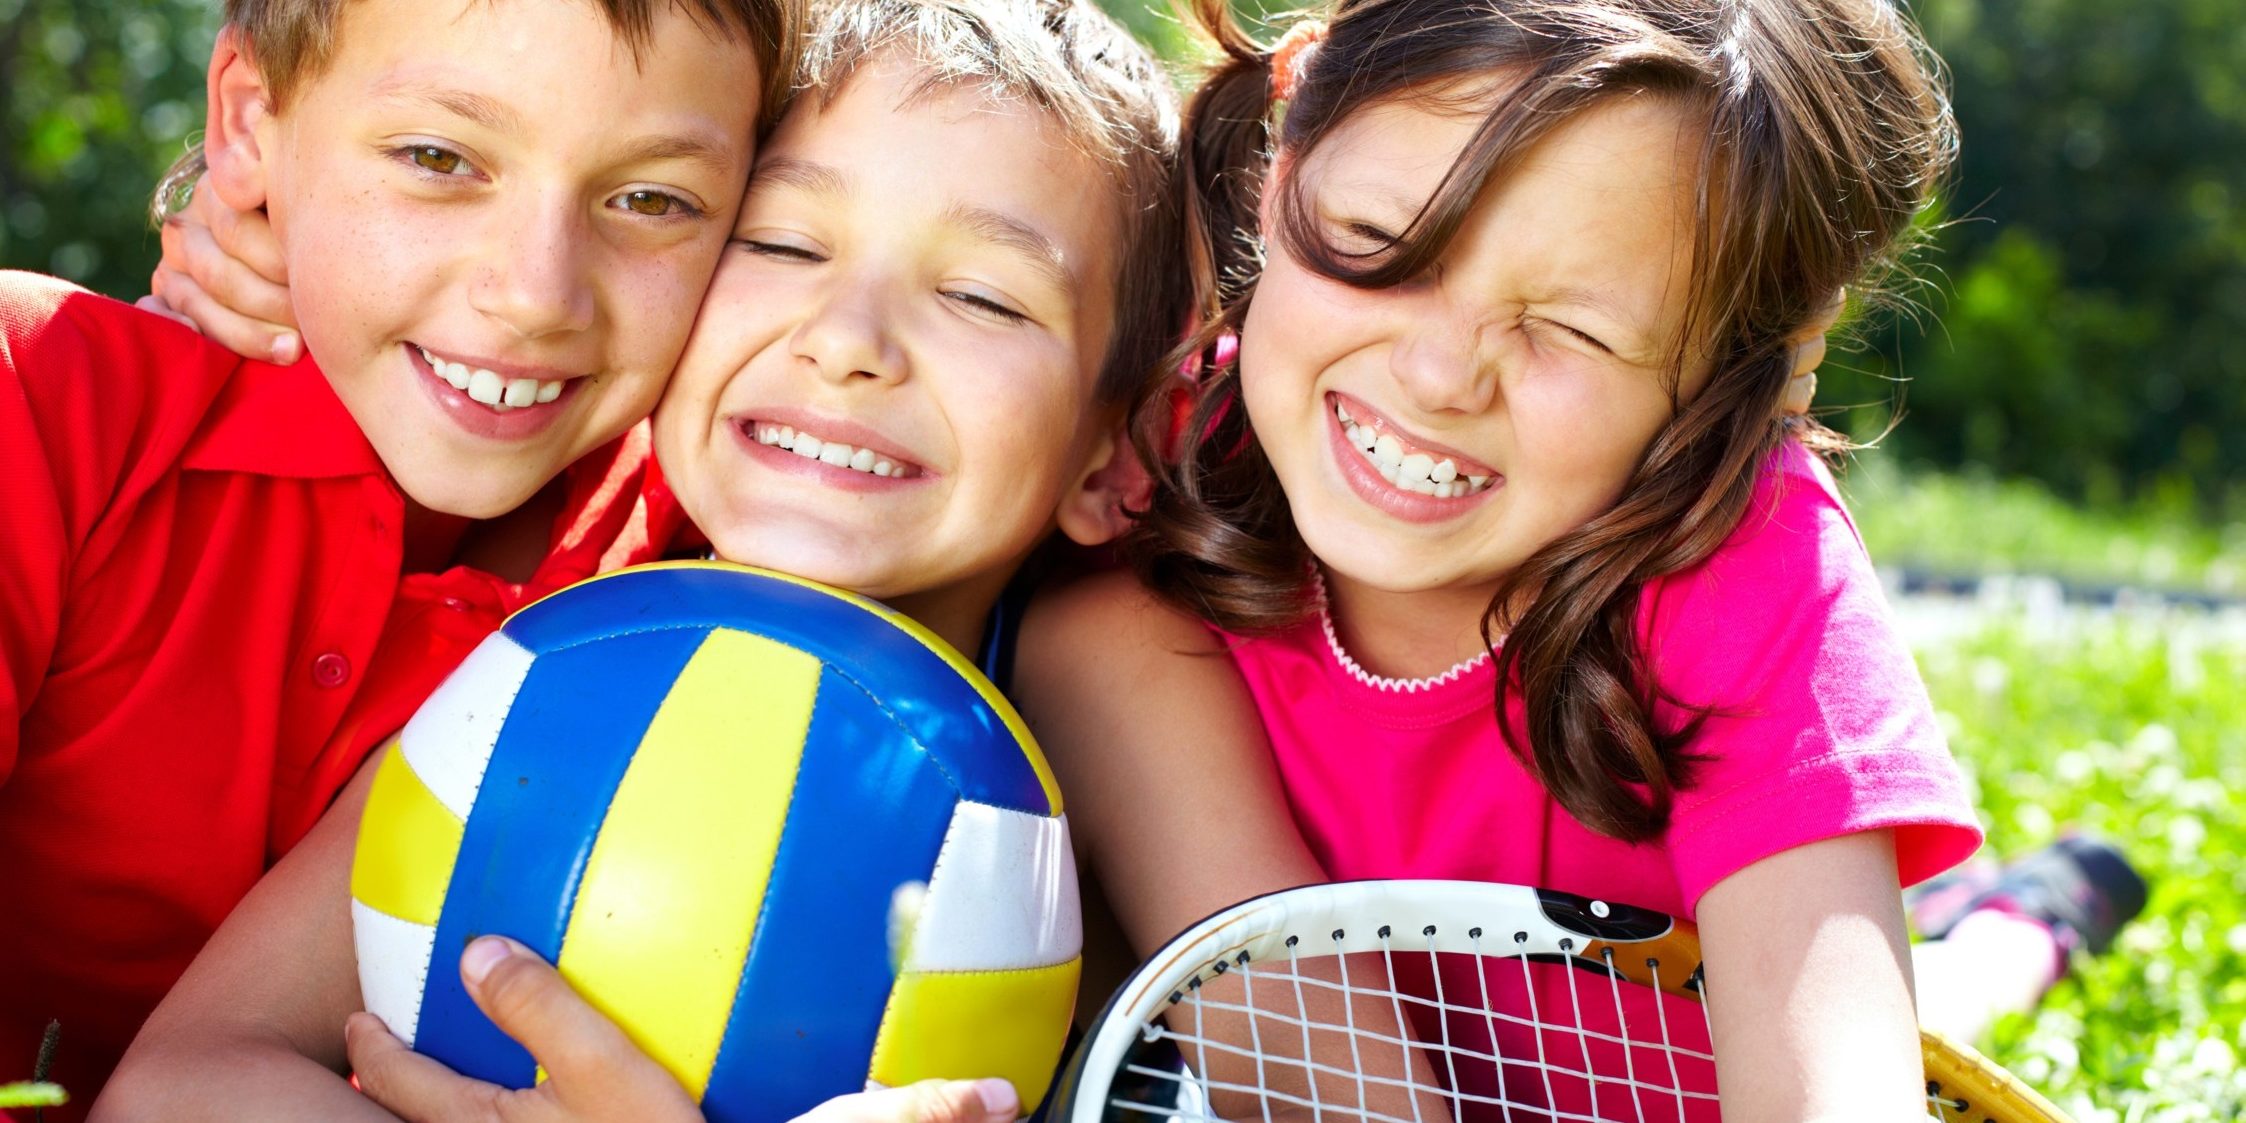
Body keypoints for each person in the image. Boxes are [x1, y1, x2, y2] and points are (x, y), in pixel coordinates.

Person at [92, 0, 1186, 1118]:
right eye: (782, 243)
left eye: (982, 297)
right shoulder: (553, 674)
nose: (847, 343)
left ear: (1121, 449)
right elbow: (178, 1082)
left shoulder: (1107, 677)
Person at [1012, 0, 1986, 1118]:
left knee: (1960, 978)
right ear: (1287, 138)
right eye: (1382, 245)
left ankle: (2012, 924)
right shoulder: (1137, 500)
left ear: (1745, 366)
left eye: (1572, 329)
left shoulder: (1744, 563)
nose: (1437, 376)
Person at [0, 0, 789, 1111]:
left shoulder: (714, 561)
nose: (533, 294)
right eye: (437, 158)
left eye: (652, 199)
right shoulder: (41, 412)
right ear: (245, 122)